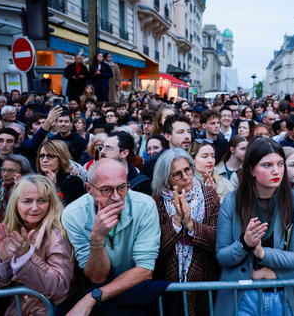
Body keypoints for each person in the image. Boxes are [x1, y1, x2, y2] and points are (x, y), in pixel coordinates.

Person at [214, 137, 294, 315]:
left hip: (283, 294)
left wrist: (262, 253)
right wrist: (244, 244)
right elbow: (222, 256)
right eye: (267, 165)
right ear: (251, 170)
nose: (276, 171)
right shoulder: (232, 202)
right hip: (242, 297)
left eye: (280, 164)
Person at [60, 158, 166, 315]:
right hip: (102, 290)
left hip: (136, 290)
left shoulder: (144, 205)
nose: (116, 197)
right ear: (89, 189)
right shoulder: (73, 214)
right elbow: (97, 277)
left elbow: (144, 270)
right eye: (106, 190)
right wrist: (97, 238)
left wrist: (92, 298)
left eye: (122, 187)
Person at [0, 175, 74, 315]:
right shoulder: (9, 230)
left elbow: (60, 288)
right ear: (16, 203)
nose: (35, 208)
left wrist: (26, 258)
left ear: (50, 202)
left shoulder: (58, 233)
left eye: (41, 201)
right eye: (27, 201)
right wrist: (4, 264)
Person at [151, 148, 221, 314]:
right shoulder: (157, 200)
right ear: (166, 180)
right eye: (177, 174)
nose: (185, 177)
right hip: (169, 281)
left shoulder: (209, 194)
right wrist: (176, 219)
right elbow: (157, 248)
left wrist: (190, 224)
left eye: (188, 169)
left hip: (205, 278)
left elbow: (218, 240)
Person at [0, 155, 33, 231]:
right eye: (3, 170)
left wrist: (18, 190)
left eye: (11, 171)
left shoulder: (32, 193)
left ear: (23, 173)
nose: (5, 174)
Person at [100, 131, 152, 195]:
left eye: (109, 148)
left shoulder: (142, 185)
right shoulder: (94, 178)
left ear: (124, 153)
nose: (102, 151)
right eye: (102, 147)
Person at [37, 140, 85, 205]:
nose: (44, 160)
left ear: (61, 158)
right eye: (42, 156)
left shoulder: (74, 182)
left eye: (50, 156)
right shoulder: (35, 181)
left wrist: (54, 186)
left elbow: (68, 210)